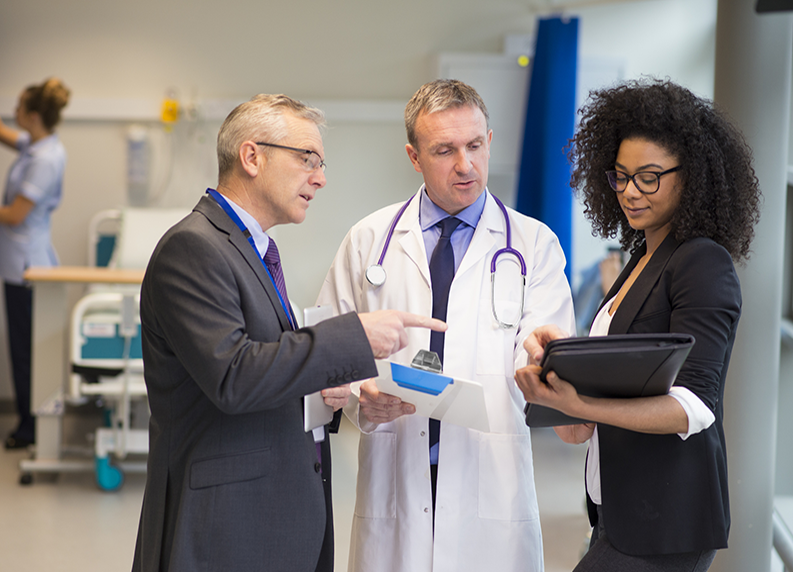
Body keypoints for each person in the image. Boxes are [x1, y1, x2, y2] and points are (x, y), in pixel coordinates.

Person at [131, 94, 446, 572]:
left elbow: (265, 364)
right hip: (224, 525)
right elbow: (233, 377)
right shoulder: (193, 249)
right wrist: (353, 337)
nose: (319, 178)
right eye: (307, 160)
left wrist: (326, 390)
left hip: (271, 515)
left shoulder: (252, 250)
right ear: (252, 156)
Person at [315, 79, 576, 572]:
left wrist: (547, 355)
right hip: (395, 469)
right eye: (445, 150)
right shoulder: (368, 240)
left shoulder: (533, 245)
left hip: (490, 479)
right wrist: (359, 396)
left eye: (475, 145)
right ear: (414, 157)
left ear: (490, 141)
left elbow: (546, 349)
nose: (466, 164)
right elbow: (327, 352)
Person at [514, 78, 761, 571]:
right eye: (621, 176)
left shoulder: (701, 262)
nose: (630, 191)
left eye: (649, 177)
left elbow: (693, 406)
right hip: (620, 513)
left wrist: (582, 403)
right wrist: (565, 360)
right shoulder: (642, 257)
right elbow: (633, 371)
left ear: (691, 177)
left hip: (664, 523)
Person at [0, 61, 70, 450]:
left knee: (25, 353)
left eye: (19, 107)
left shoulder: (45, 160)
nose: (14, 113)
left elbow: (14, 214)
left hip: (28, 266)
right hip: (20, 262)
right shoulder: (35, 144)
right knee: (24, 350)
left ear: (34, 116)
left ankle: (30, 427)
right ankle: (29, 422)